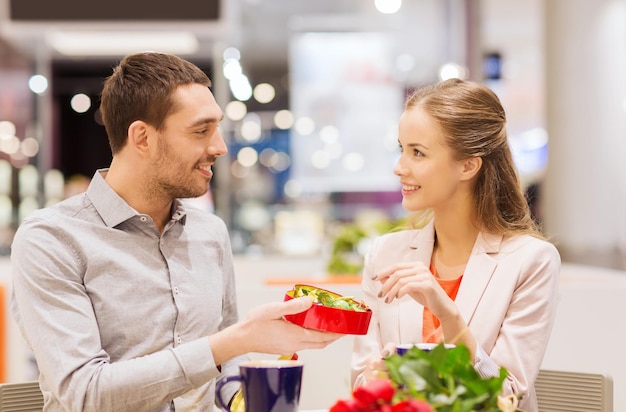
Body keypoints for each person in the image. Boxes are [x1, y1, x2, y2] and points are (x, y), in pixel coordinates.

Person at [10, 52, 341, 411]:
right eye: (201, 130)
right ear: (142, 138)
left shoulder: (210, 233)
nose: (219, 147)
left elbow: (223, 362)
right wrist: (235, 341)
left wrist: (242, 401)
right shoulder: (52, 240)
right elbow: (86, 393)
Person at [351, 78, 560, 412]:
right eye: (401, 148)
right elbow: (362, 382)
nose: (399, 167)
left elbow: (506, 396)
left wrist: (447, 314)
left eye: (417, 152)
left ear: (468, 165)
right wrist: (379, 375)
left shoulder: (531, 261)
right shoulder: (385, 254)